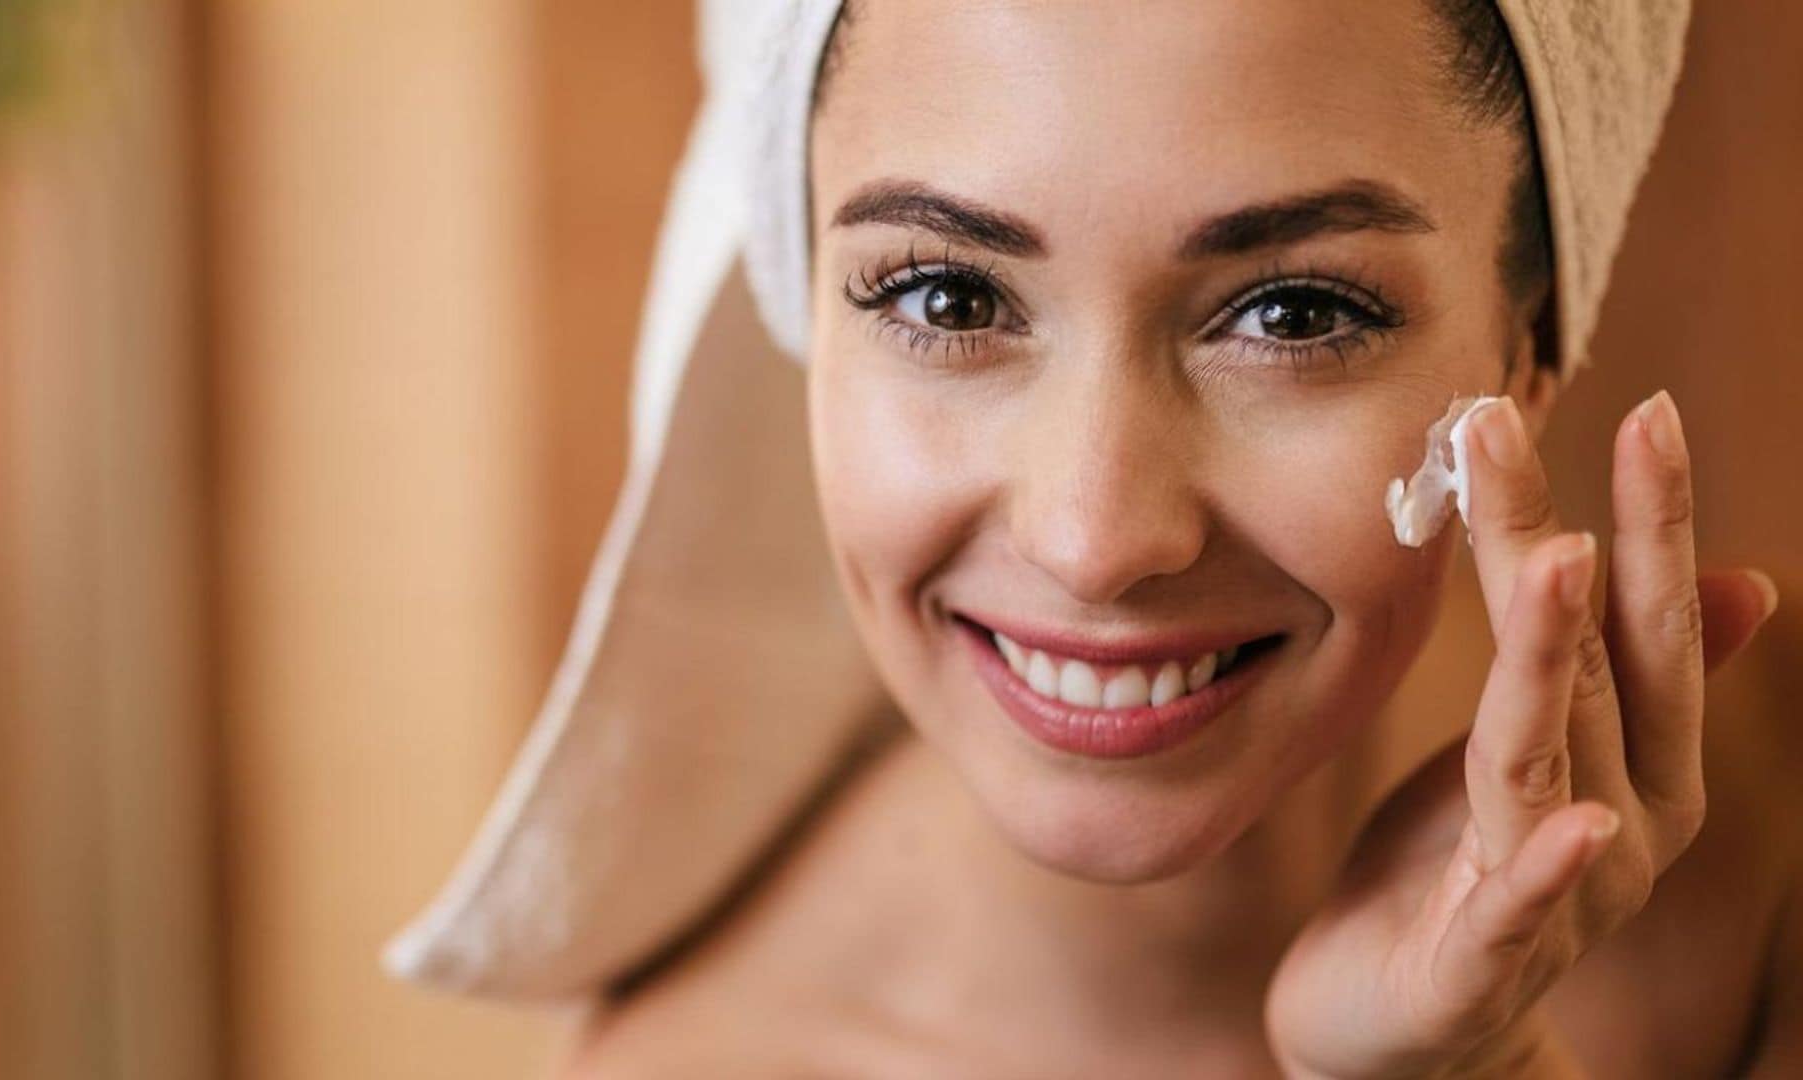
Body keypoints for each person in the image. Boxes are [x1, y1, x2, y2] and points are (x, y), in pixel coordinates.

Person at [397, 1, 1799, 1075]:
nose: (1095, 536)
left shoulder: (1730, 894)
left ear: (1528, 346)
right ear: (802, 321)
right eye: (949, 299)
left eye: (1294, 314)